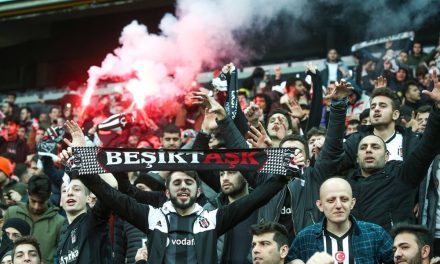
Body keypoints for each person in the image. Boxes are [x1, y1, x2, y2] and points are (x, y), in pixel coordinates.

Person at [60, 120, 292, 264]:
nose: (182, 186)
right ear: (167, 192)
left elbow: (256, 197)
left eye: (188, 183)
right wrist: (83, 156)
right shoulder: (154, 217)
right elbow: (109, 194)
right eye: (177, 182)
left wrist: (285, 169)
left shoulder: (210, 219)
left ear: (198, 190)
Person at [286, 178, 393, 264]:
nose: (338, 205)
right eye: (331, 200)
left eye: (344, 199)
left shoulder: (375, 234)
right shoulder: (305, 238)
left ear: (352, 203)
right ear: (320, 205)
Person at [4, 175, 65, 264]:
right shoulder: (12, 212)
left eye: (41, 202)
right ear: (27, 192)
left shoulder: (59, 222)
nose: (36, 207)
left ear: (49, 196)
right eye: (33, 201)